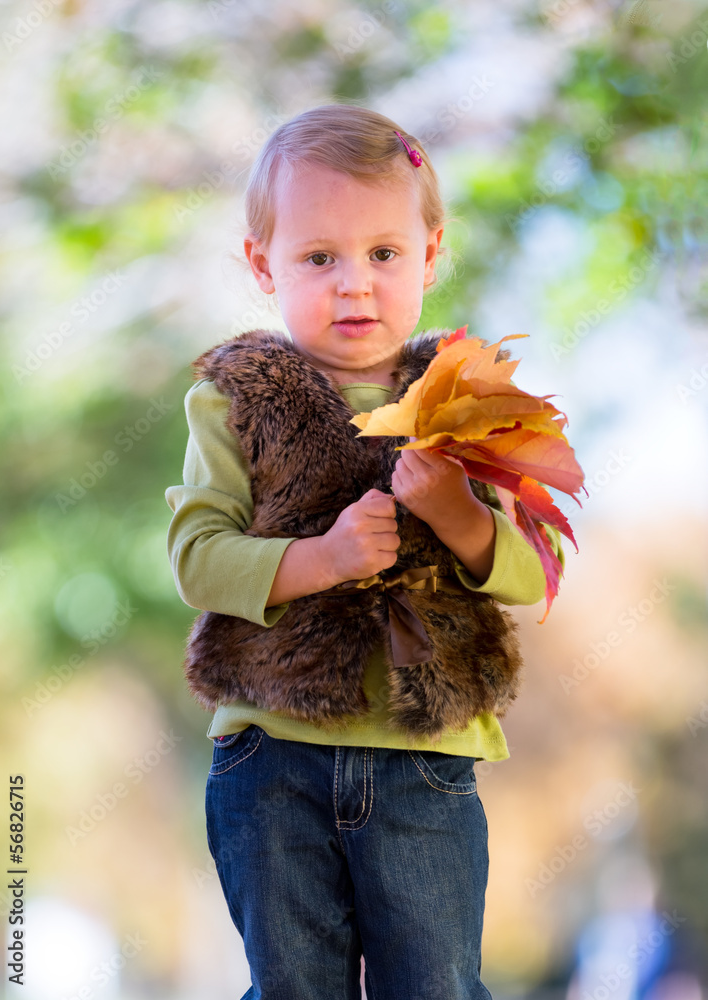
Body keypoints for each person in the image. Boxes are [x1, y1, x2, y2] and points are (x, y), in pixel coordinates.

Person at [165, 103, 565, 1000]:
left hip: (426, 755)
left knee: (436, 983)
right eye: (319, 258)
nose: (355, 286)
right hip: (272, 753)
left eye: (384, 254)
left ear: (429, 254)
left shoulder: (464, 398)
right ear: (262, 264)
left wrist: (460, 515)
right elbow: (198, 556)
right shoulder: (235, 400)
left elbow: (536, 570)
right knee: (294, 985)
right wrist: (324, 558)